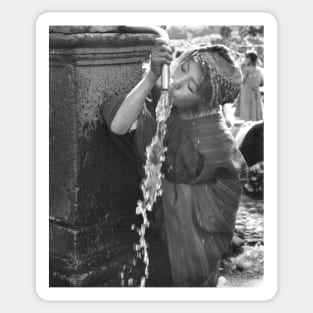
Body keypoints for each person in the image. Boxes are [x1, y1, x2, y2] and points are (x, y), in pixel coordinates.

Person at [101, 38, 248, 287]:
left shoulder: (213, 138)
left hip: (203, 223)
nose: (176, 82)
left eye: (189, 86)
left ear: (206, 100)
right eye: (180, 69)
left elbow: (228, 175)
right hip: (174, 215)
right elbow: (118, 125)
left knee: (196, 274)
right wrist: (151, 76)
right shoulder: (168, 105)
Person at [234, 50, 264, 121]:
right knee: (254, 113)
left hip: (246, 94)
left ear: (249, 59)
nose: (244, 60)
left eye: (245, 58)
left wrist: (240, 65)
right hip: (256, 94)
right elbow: (261, 83)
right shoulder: (259, 70)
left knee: (247, 113)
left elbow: (239, 80)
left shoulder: (245, 70)